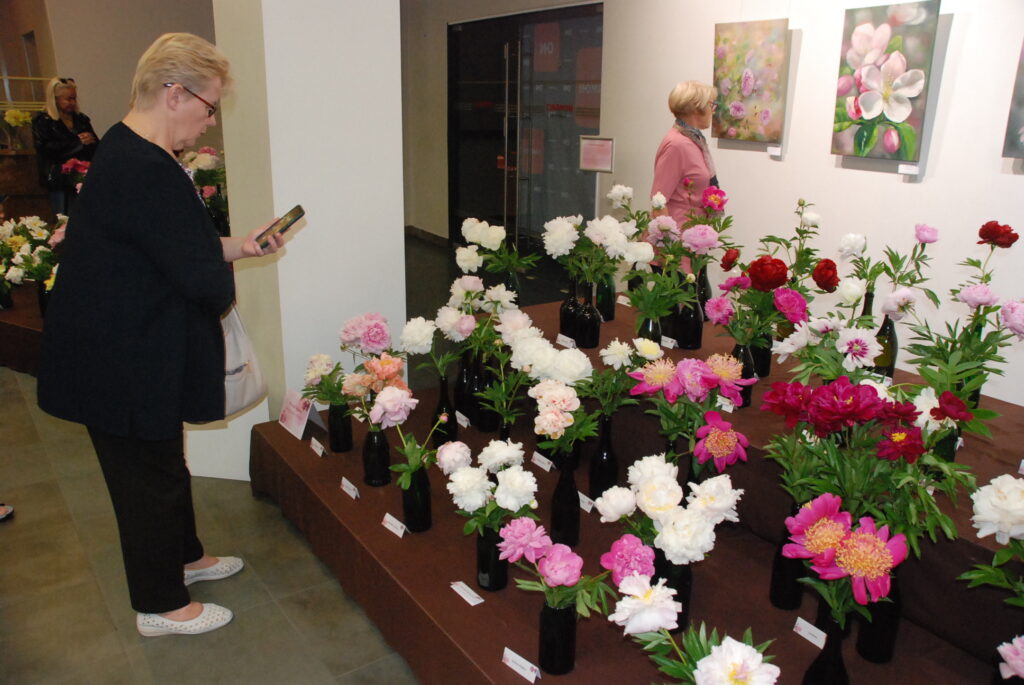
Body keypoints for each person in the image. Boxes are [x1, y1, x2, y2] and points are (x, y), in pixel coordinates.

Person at [37, 33, 283, 637]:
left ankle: (184, 556)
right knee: (144, 478)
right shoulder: (144, 165)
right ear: (175, 94)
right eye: (209, 106)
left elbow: (171, 245)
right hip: (117, 357)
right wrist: (219, 276)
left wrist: (241, 246)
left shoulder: (132, 150)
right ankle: (160, 604)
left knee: (164, 461)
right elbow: (199, 278)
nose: (210, 120)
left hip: (128, 346)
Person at [650, 80, 721, 227]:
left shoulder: (695, 140)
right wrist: (669, 237)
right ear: (696, 107)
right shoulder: (677, 145)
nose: (713, 111)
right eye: (711, 105)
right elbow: (659, 202)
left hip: (694, 232)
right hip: (678, 234)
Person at [31, 77, 99, 216]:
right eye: (68, 99)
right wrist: (77, 143)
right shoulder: (43, 121)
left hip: (83, 176)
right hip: (59, 179)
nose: (73, 102)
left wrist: (90, 140)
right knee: (63, 217)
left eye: (74, 98)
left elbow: (97, 147)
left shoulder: (81, 119)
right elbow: (45, 149)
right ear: (55, 99)